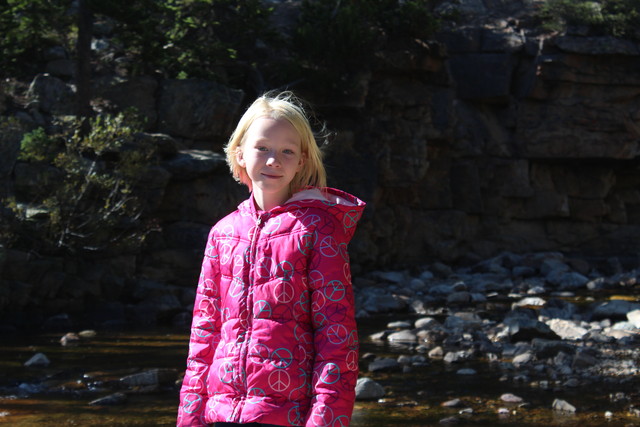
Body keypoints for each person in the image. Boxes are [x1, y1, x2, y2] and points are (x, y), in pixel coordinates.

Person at [177, 91, 366, 427]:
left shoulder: (317, 231)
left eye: (287, 151)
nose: (273, 159)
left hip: (287, 417)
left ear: (302, 162)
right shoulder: (223, 233)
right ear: (240, 153)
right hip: (221, 414)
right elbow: (203, 337)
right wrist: (190, 419)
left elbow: (337, 339)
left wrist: (324, 421)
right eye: (262, 147)